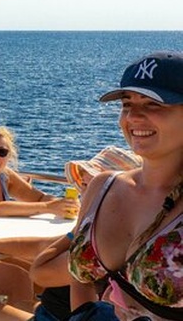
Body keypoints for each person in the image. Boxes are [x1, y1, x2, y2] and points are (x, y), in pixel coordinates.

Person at [68, 52, 183, 320]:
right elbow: (79, 279)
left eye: (154, 104)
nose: (134, 117)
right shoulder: (102, 188)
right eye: (127, 104)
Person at [0, 234, 75, 321]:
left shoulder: (85, 253)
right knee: (19, 304)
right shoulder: (88, 236)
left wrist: (70, 237)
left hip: (61, 316)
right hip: (60, 310)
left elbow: (37, 274)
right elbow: (40, 245)